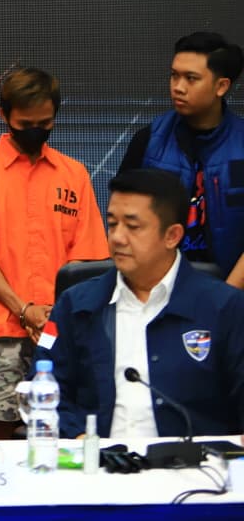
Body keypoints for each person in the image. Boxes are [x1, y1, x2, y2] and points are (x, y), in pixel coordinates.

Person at [0, 68, 108, 438]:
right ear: (4, 116)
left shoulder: (75, 175)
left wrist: (52, 313)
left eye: (44, 123)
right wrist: (23, 309)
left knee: (62, 423)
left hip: (61, 326)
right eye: (25, 124)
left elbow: (85, 256)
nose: (35, 130)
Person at [35, 169, 244, 440]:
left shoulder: (224, 307)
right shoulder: (74, 305)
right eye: (112, 224)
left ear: (172, 236)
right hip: (97, 459)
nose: (117, 237)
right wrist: (79, 438)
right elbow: (42, 388)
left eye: (132, 227)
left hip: (197, 461)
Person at [118, 32, 244, 287]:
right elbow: (121, 218)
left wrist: (228, 295)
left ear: (221, 86)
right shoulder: (148, 141)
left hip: (232, 290)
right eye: (174, 75)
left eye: (191, 78)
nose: (178, 87)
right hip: (156, 289)